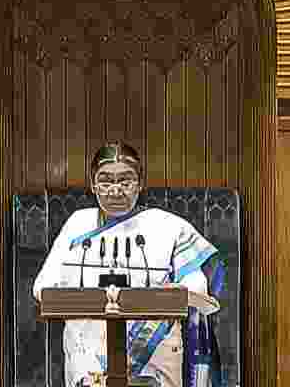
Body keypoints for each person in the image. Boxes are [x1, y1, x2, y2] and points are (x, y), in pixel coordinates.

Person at [33, 141, 224, 387]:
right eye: (105, 181)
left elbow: (197, 284)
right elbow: (42, 287)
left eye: (125, 181)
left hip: (156, 356)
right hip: (88, 354)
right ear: (92, 184)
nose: (115, 190)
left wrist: (170, 295)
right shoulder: (77, 225)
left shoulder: (167, 226)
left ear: (140, 183)